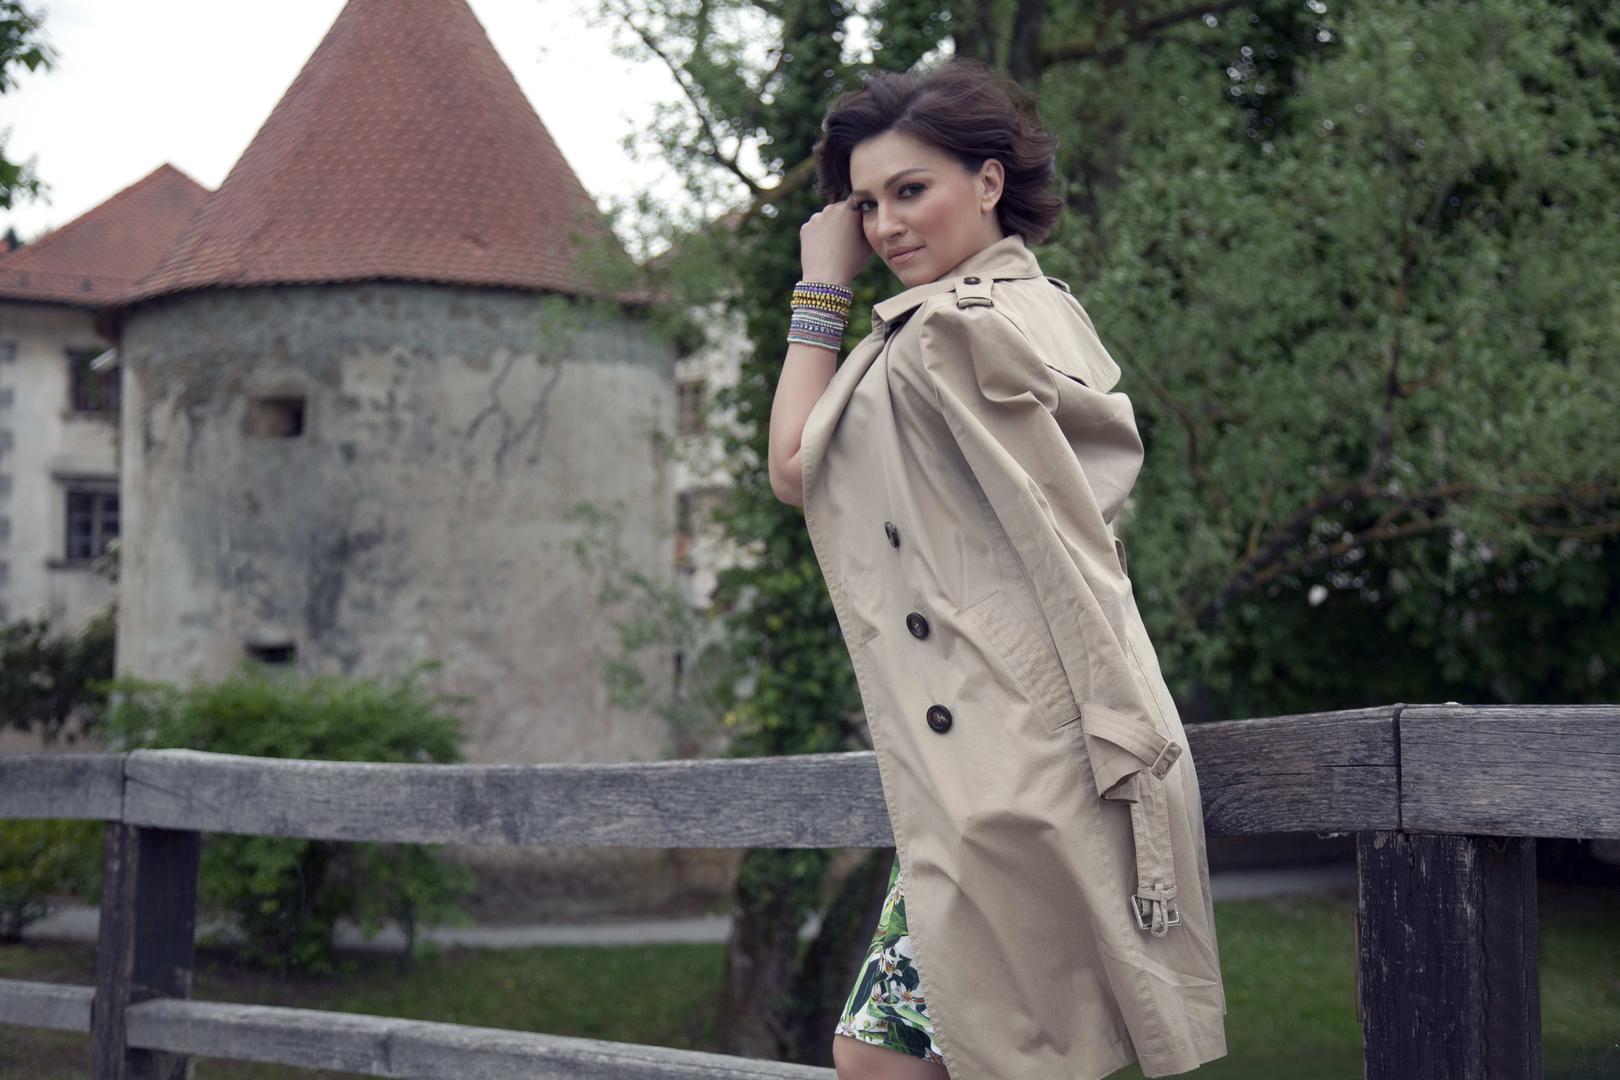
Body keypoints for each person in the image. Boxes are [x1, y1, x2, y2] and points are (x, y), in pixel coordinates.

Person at [769, 59, 1228, 1080]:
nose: (886, 225)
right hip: (1005, 757)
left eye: (910, 190)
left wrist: (822, 289)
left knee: (908, 1060)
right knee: (938, 1057)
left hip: (1018, 765)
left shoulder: (951, 332)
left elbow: (798, 469)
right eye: (865, 204)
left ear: (988, 181)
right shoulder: (1032, 306)